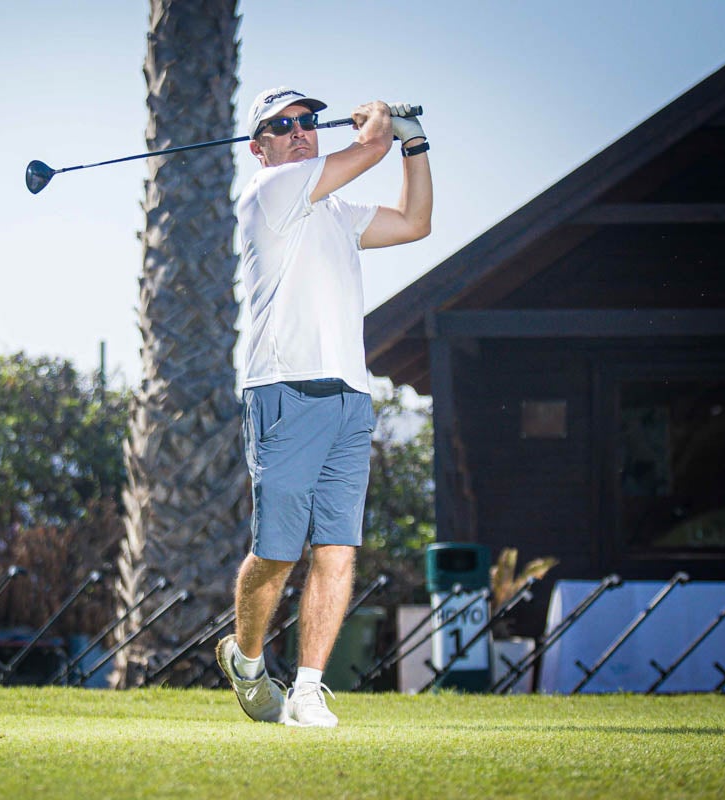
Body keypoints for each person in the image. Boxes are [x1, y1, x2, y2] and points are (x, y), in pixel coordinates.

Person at [216, 86, 432, 727]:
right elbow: (367, 148)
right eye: (282, 126)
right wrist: (384, 127)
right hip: (285, 390)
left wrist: (414, 142)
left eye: (307, 121)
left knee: (337, 548)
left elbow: (415, 221)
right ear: (260, 148)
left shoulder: (335, 211)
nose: (300, 131)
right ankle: (249, 661)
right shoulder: (269, 191)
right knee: (278, 551)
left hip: (348, 396)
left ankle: (308, 688)